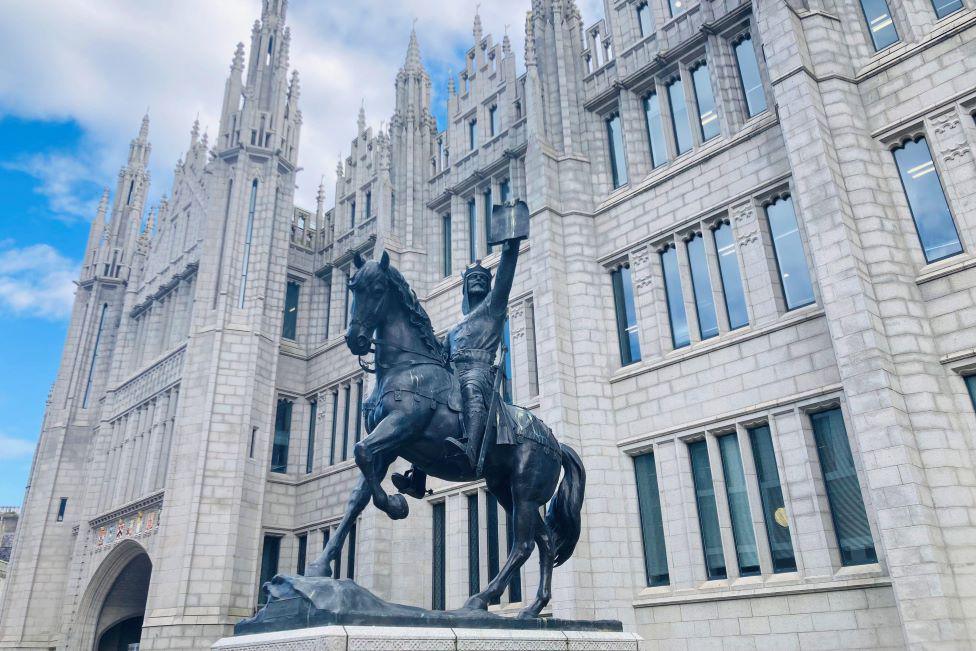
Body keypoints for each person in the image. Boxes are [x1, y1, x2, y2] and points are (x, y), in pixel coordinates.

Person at [445, 237, 521, 467]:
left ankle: (471, 447)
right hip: (453, 374)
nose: (477, 280)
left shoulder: (493, 309)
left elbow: (504, 280)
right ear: (465, 287)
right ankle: (417, 476)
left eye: (482, 278)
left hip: (480, 373)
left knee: (471, 388)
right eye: (472, 278)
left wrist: (511, 249)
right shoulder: (452, 331)